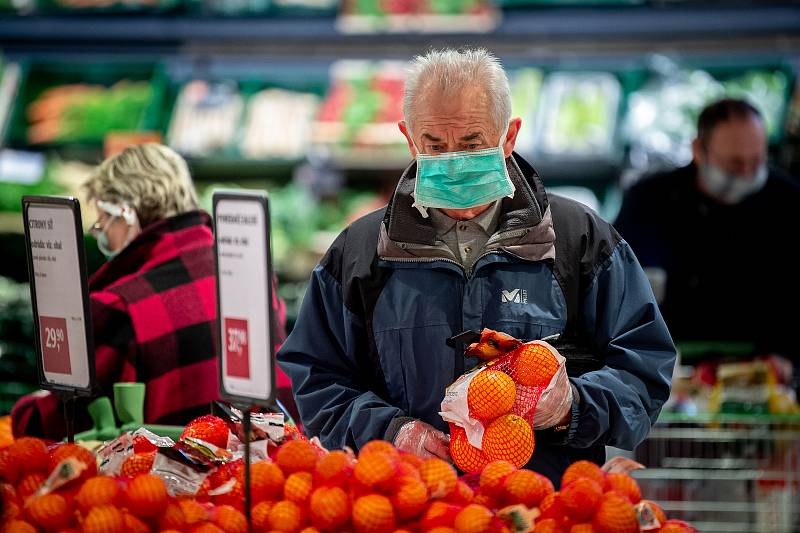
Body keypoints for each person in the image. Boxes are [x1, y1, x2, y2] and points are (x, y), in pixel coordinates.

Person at [278, 48, 677, 486]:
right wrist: (391, 432)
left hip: (548, 507)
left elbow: (644, 367)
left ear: (509, 137)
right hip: (412, 505)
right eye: (435, 145)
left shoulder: (578, 239)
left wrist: (574, 405)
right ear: (409, 140)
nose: (454, 162)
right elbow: (316, 380)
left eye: (471, 143)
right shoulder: (358, 254)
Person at [12, 143, 291, 440]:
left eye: (102, 221)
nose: (101, 233)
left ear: (124, 213)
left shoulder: (119, 305)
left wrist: (23, 413)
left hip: (170, 479)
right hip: (263, 467)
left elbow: (62, 422)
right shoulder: (251, 276)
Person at [614, 99, 800, 362]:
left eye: (757, 161)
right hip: (670, 361)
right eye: (734, 164)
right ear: (699, 150)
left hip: (767, 362)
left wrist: (785, 355)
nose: (747, 173)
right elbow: (616, 290)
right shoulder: (649, 201)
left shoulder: (790, 201)